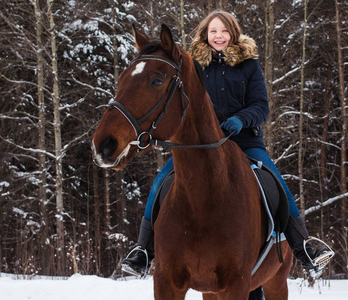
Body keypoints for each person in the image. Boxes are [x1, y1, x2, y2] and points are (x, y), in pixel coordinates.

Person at [122, 10, 333, 279]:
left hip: (244, 141)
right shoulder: (191, 67)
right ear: (205, 35)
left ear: (233, 33)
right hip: (202, 147)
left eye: (223, 31)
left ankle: (304, 249)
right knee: (161, 182)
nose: (218, 36)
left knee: (277, 184)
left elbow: (261, 106)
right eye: (213, 31)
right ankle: (143, 251)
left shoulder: (248, 64)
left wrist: (240, 120)